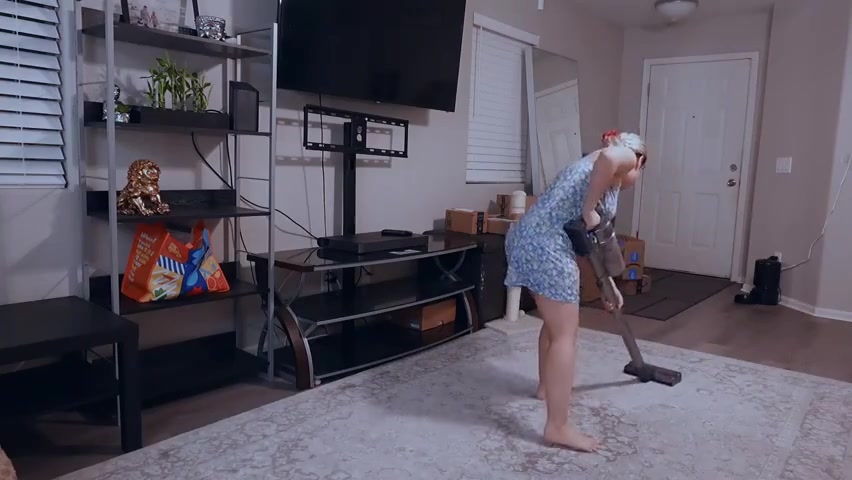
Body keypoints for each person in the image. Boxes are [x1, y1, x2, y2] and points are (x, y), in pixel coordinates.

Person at [504, 130, 647, 452]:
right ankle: (557, 426)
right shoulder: (622, 156)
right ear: (639, 161)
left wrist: (608, 285)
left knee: (554, 324)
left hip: (527, 238)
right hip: (545, 247)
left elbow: (587, 244)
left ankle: (546, 387)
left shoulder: (597, 173)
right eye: (641, 172)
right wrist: (589, 208)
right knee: (565, 334)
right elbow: (610, 158)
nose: (637, 178)